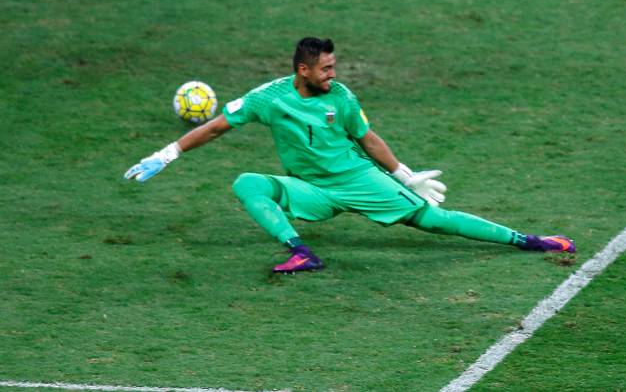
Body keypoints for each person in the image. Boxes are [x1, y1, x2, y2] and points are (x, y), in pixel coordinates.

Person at [125, 37, 575, 273]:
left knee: (433, 221)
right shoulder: (268, 98)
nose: (333, 73)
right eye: (326, 68)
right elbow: (218, 125)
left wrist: (403, 173)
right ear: (303, 69)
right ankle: (301, 252)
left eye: (334, 66)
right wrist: (167, 154)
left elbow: (368, 138)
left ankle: (527, 240)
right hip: (312, 189)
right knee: (247, 183)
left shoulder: (340, 97)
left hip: (359, 181)